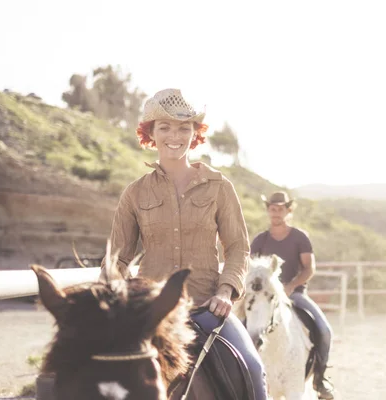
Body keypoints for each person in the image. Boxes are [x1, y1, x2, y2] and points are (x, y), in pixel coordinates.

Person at [100, 88, 267, 400]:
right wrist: (117, 298)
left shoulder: (220, 187)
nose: (174, 136)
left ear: (195, 134)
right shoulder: (134, 194)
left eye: (183, 128)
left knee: (254, 370)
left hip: (208, 308)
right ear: (150, 133)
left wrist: (225, 291)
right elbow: (117, 260)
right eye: (164, 128)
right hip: (150, 312)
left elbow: (237, 248)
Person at [250, 191, 335, 400]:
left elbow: (309, 268)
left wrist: (290, 286)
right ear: (268, 210)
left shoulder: (299, 237)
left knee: (324, 330)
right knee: (243, 327)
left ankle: (320, 379)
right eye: (272, 209)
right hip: (264, 298)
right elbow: (252, 270)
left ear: (288, 210)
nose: (276, 213)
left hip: (295, 294)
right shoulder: (260, 240)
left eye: (280, 209)